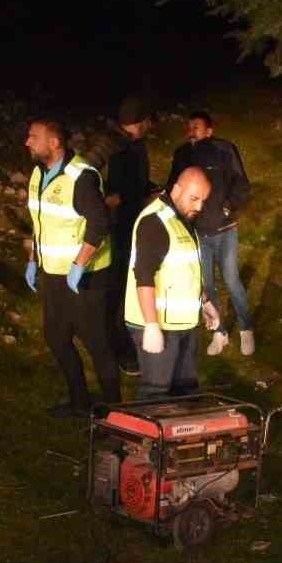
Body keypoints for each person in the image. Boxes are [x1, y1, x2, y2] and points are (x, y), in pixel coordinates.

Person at [22, 118, 121, 419]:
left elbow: (99, 223)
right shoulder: (38, 174)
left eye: (33, 137)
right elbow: (41, 222)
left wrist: (79, 265)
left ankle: (116, 415)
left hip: (87, 278)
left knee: (96, 343)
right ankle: (80, 402)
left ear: (54, 142)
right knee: (56, 337)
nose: (27, 142)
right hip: (54, 274)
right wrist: (32, 260)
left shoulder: (81, 177)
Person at [167, 110, 254, 356]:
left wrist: (229, 206)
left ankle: (246, 329)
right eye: (189, 126)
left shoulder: (224, 149)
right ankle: (219, 333)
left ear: (209, 130)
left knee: (232, 281)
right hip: (196, 234)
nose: (191, 129)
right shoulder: (182, 155)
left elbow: (241, 183)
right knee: (206, 285)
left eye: (197, 126)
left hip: (225, 230)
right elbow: (173, 187)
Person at [125, 166, 213, 399]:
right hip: (158, 325)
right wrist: (151, 326)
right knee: (156, 392)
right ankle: (147, 435)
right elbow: (143, 276)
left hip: (183, 324)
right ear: (176, 189)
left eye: (203, 200)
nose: (199, 207)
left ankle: (182, 433)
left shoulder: (181, 219)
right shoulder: (155, 222)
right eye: (194, 198)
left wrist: (204, 302)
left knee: (186, 391)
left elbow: (186, 270)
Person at [105, 95, 155, 375]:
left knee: (128, 289)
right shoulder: (122, 149)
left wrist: (150, 189)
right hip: (122, 231)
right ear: (142, 122)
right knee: (121, 291)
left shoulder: (136, 146)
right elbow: (117, 192)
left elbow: (134, 183)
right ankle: (121, 350)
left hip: (132, 226)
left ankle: (125, 345)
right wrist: (138, 196)